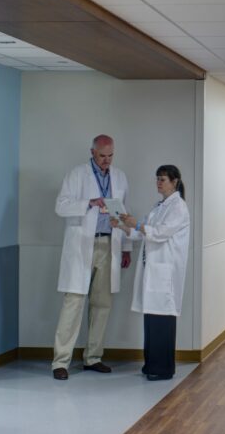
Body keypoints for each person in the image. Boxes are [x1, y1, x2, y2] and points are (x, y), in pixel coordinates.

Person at [51, 135, 131, 380]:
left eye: (110, 156)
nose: (106, 161)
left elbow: (124, 211)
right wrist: (89, 203)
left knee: (102, 303)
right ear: (92, 152)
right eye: (102, 156)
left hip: (109, 243)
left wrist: (126, 247)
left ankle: (93, 357)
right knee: (73, 302)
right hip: (82, 244)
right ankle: (60, 362)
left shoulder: (119, 177)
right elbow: (61, 206)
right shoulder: (77, 174)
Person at [116, 165, 190, 381]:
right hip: (153, 270)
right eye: (157, 179)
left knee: (162, 321)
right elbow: (142, 233)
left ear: (174, 182)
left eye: (163, 179)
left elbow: (159, 233)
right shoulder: (159, 206)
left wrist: (137, 224)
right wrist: (122, 226)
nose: (159, 183)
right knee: (151, 320)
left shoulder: (178, 207)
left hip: (165, 271)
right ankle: (151, 365)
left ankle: (163, 369)